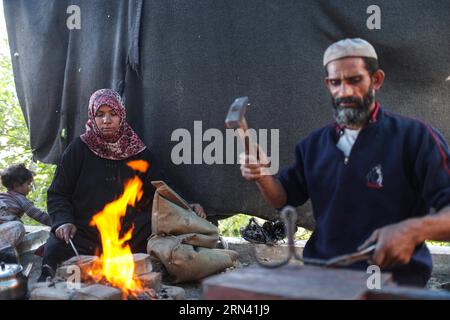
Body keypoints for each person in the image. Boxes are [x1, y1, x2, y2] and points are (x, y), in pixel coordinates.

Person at [240, 38, 450, 287]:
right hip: (324, 280)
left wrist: (413, 230)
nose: (345, 91)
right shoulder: (314, 145)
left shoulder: (416, 138)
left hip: (393, 284)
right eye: (335, 82)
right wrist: (262, 176)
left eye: (354, 80)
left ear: (377, 80)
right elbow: (282, 198)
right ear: (327, 85)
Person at [39, 88, 205, 281]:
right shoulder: (78, 149)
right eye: (100, 115)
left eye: (113, 114)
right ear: (92, 116)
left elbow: (162, 186)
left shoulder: (138, 152)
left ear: (122, 115)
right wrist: (64, 221)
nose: (106, 120)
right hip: (85, 231)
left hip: (129, 232)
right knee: (56, 248)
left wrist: (187, 204)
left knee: (163, 247)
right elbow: (58, 193)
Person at [0, 164, 51, 247]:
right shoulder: (19, 198)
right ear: (16, 185)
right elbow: (38, 215)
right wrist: (58, 222)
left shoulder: (6, 196)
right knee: (18, 227)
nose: (30, 188)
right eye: (28, 184)